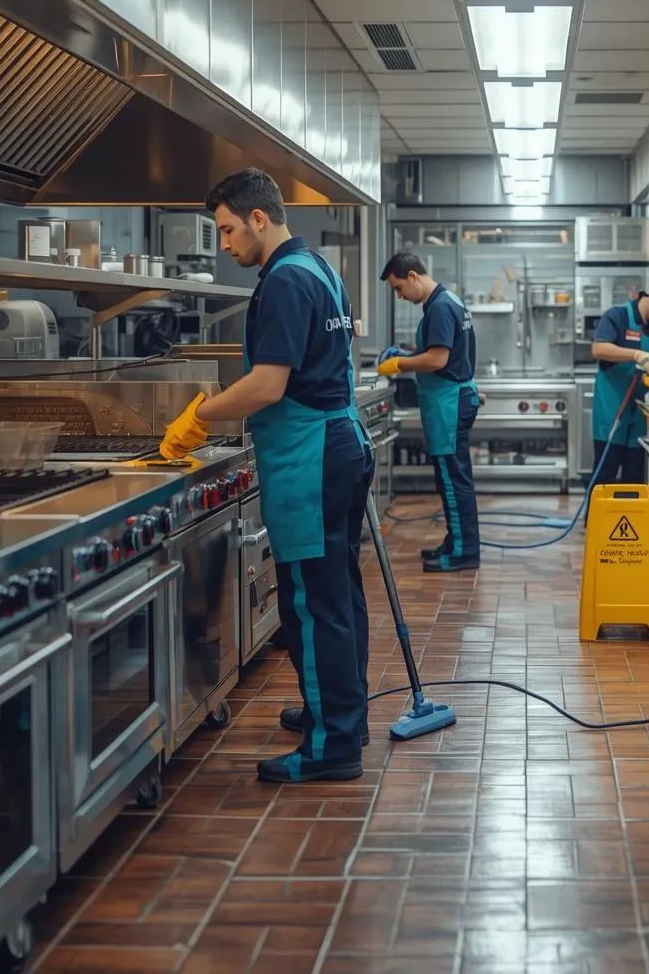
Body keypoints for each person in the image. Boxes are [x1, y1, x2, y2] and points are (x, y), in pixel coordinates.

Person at [160, 168, 374, 784]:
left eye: (227, 229)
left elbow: (267, 384)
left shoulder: (283, 281)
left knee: (311, 600)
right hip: (336, 442)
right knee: (338, 594)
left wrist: (198, 417)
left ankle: (332, 747)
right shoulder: (320, 269)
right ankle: (339, 717)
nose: (224, 244)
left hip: (310, 456)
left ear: (259, 218)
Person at [378, 253, 481, 572]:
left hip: (449, 404)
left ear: (412, 276)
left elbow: (437, 359)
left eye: (398, 288)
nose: (399, 296)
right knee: (450, 477)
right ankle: (456, 542)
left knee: (453, 480)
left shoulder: (439, 307)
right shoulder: (447, 299)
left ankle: (464, 552)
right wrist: (407, 353)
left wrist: (400, 363)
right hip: (450, 400)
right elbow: (442, 354)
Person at [588, 282, 649, 486]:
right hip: (612, 408)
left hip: (639, 413)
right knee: (605, 474)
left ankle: (632, 519)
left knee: (635, 477)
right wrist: (636, 354)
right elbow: (598, 348)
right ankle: (596, 519)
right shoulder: (617, 316)